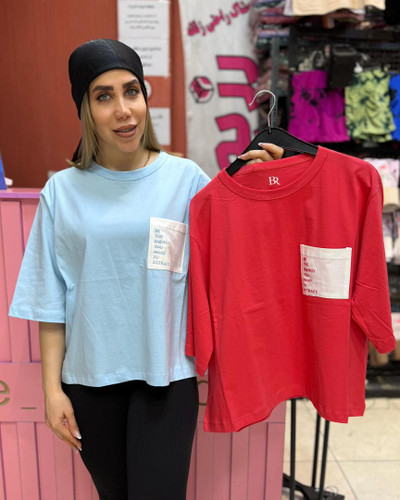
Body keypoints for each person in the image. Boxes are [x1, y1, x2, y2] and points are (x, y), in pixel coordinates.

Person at [9, 38, 283, 500]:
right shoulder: (62, 192)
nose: (123, 110)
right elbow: (51, 303)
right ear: (85, 109)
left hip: (167, 378)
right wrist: (52, 391)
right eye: (104, 96)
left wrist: (264, 186)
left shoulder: (187, 180)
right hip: (89, 384)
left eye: (131, 91)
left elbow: (240, 252)